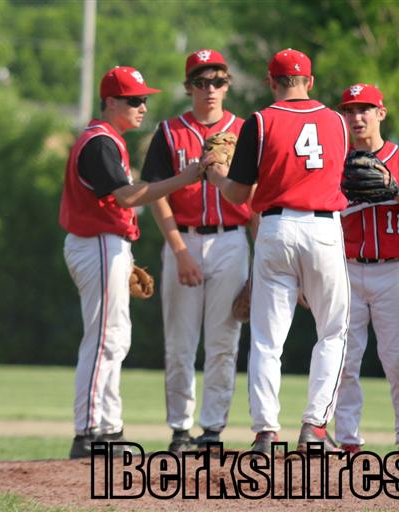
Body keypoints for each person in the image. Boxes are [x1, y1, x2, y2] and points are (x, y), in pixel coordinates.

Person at [205, 48, 350, 454]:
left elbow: (239, 194)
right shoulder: (338, 122)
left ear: (271, 82)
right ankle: (314, 428)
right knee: (333, 332)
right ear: (310, 82)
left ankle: (266, 433)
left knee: (267, 340)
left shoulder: (260, 121)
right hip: (323, 228)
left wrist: (218, 176)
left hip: (275, 227)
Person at [60, 66, 204, 459]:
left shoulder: (109, 140)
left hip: (107, 244)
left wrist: (124, 251)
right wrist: (184, 178)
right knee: (104, 340)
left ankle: (108, 429)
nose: (143, 106)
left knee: (116, 338)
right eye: (134, 100)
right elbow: (126, 197)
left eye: (144, 99)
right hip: (97, 244)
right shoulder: (99, 142)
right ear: (110, 102)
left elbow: (116, 202)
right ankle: (88, 432)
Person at [141, 49, 256, 454]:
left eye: (218, 81)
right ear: (188, 86)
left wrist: (260, 264)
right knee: (180, 343)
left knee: (225, 341)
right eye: (202, 82)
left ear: (228, 85)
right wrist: (178, 251)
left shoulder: (245, 131)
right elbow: (155, 194)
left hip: (231, 239)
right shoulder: (169, 132)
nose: (210, 89)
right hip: (184, 239)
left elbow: (257, 198)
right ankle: (180, 429)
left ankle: (212, 430)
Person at [332, 84, 399, 461]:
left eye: (365, 109)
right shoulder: (334, 162)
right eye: (349, 110)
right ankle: (348, 439)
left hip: (391, 272)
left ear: (381, 113)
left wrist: (394, 190)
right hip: (346, 270)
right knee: (345, 361)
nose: (356, 117)